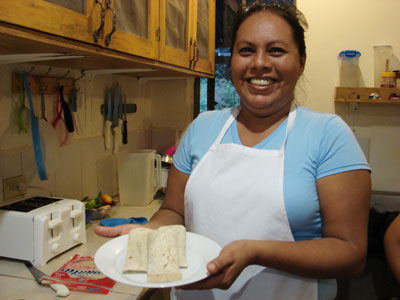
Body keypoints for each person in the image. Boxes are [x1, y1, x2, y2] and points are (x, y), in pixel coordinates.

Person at [95, 1, 371, 299]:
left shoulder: (328, 135)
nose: (260, 63)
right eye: (246, 50)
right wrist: (148, 233)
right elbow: (174, 212)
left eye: (276, 50)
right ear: (232, 62)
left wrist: (254, 252)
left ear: (301, 61)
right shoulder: (202, 128)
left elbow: (351, 254)